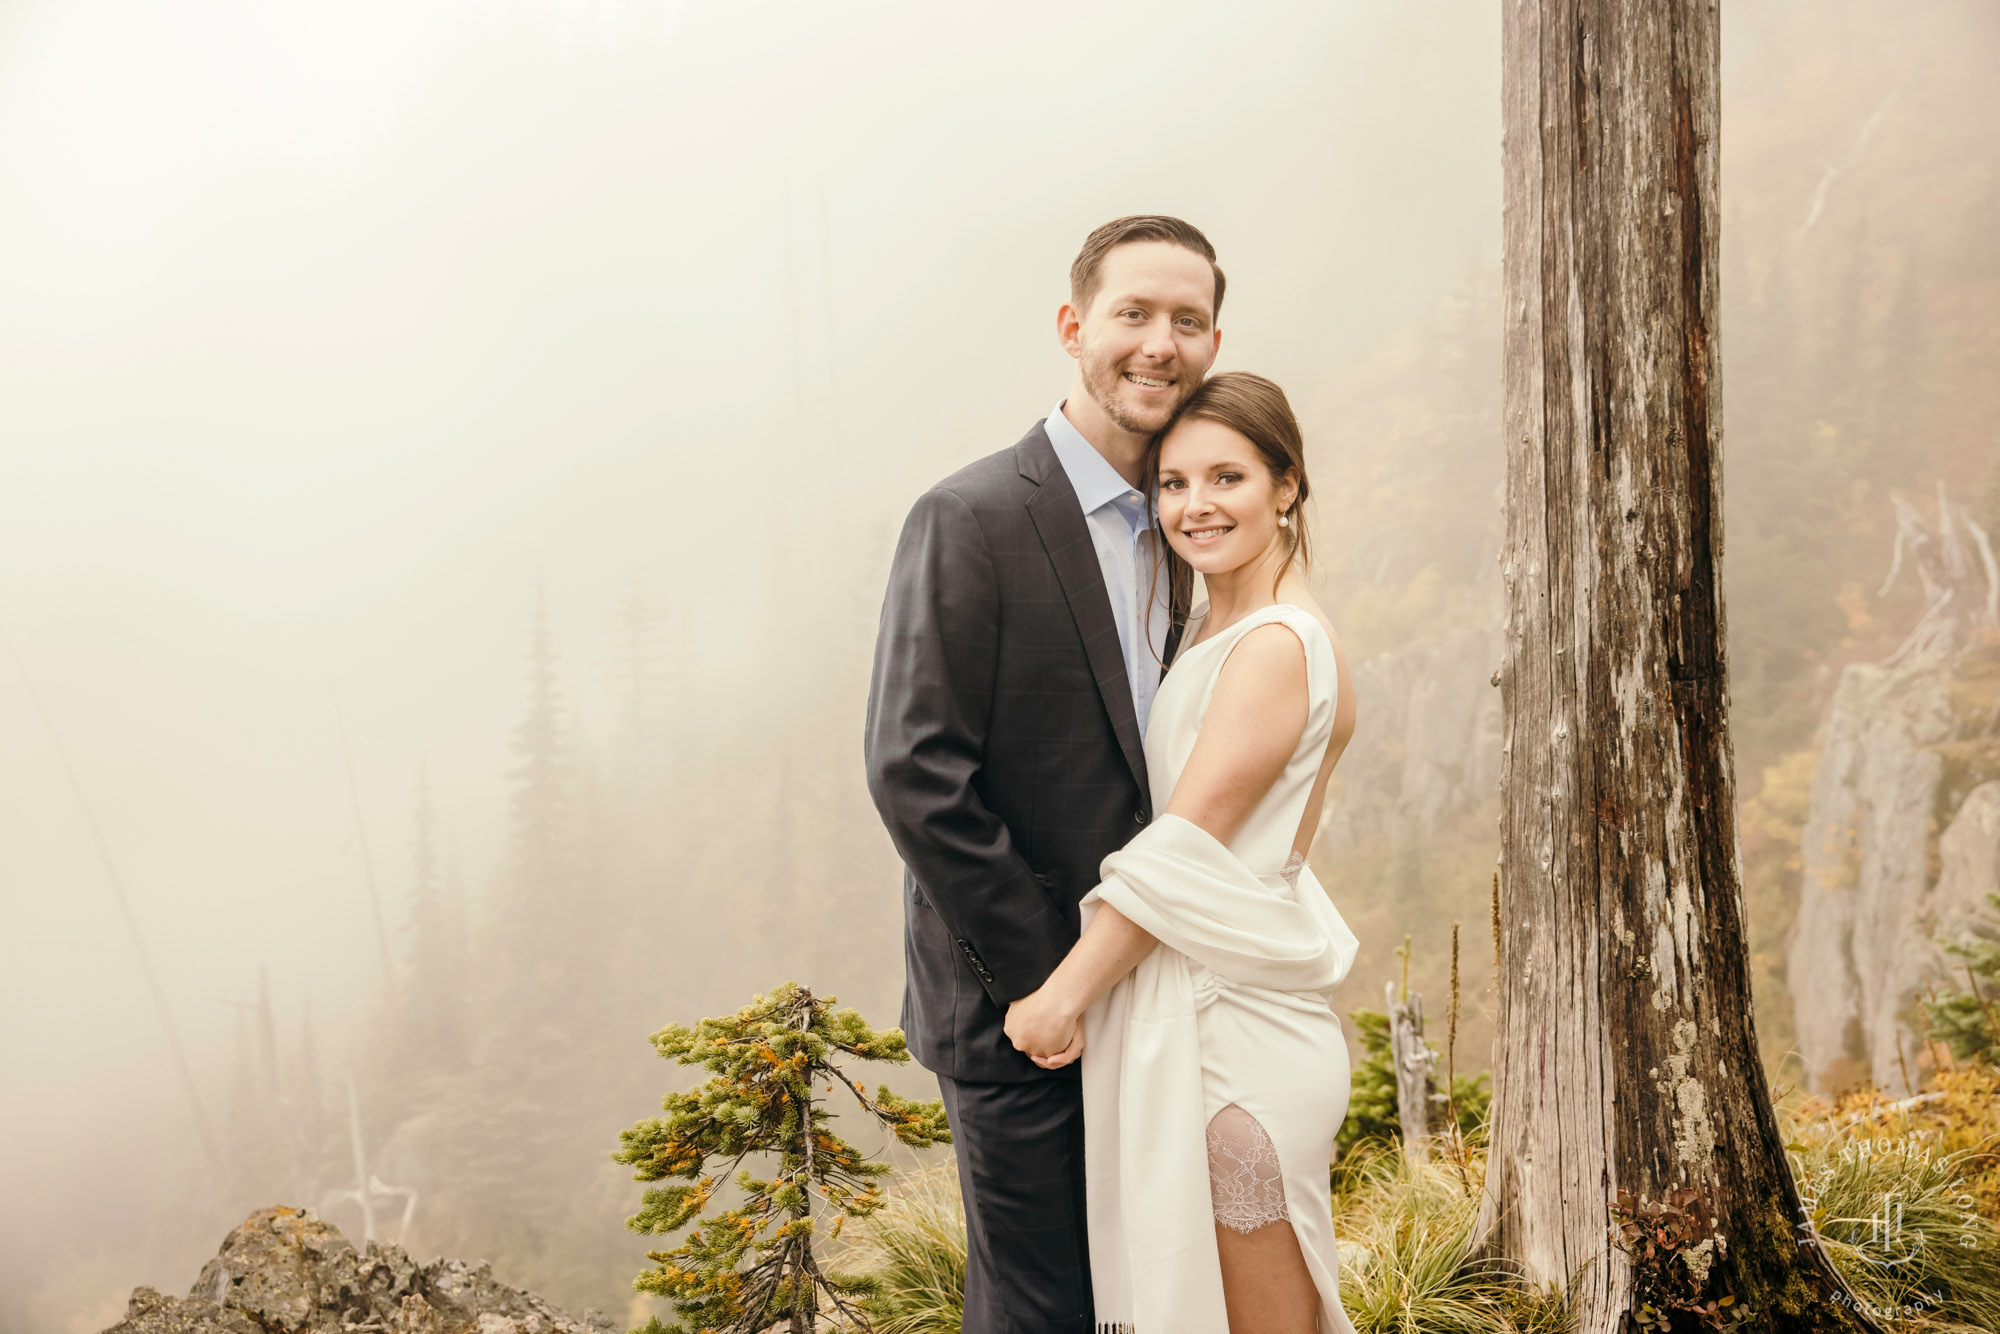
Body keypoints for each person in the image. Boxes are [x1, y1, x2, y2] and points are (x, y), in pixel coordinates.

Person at [863, 214, 1223, 1333]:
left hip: (1145, 995)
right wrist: (1048, 976)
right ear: (1073, 328)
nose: (1159, 342)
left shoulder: (1187, 521)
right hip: (1016, 1003)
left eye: (1187, 319)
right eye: (1132, 314)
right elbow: (912, 765)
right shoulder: (969, 516)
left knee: (1112, 1297)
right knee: (1041, 1310)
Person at [1003, 372, 1363, 1334]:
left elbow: (1183, 848)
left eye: (1228, 478)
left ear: (1286, 486)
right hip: (1200, 1006)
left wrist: (1058, 998)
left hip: (1236, 1037)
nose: (1195, 506)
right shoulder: (1214, 626)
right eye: (1172, 483)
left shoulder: (1277, 645)